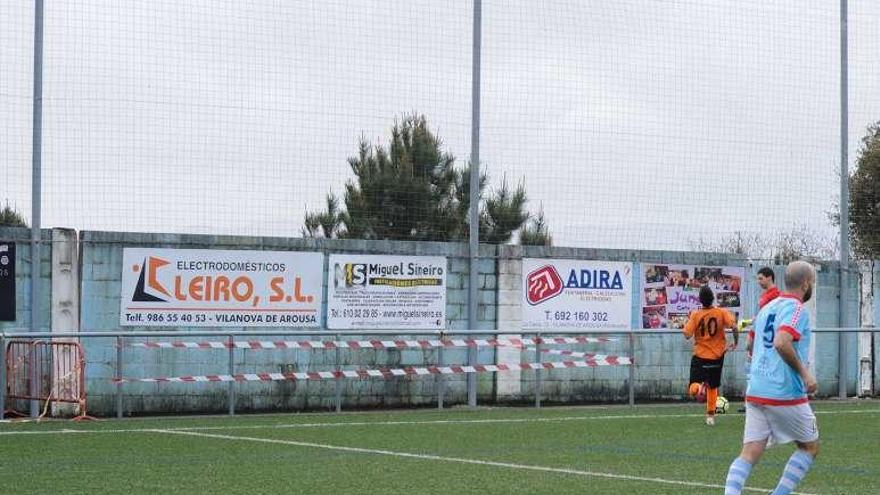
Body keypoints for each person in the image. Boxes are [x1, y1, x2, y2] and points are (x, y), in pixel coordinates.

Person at [723, 261, 819, 495]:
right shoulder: (796, 309)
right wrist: (805, 374)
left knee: (749, 453)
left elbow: (752, 344)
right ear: (806, 283)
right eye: (812, 282)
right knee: (809, 447)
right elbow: (781, 342)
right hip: (783, 391)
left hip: (756, 390)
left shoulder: (767, 307)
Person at [683, 285, 738, 426]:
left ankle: (700, 388)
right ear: (713, 298)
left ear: (700, 300)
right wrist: (735, 342)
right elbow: (734, 327)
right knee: (713, 387)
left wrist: (689, 322)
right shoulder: (721, 312)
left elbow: (687, 335)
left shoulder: (695, 314)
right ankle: (710, 417)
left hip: (700, 355)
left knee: (692, 388)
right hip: (716, 356)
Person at [737, 267, 781, 413]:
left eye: (761, 278)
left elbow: (770, 318)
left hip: (763, 338)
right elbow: (761, 317)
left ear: (769, 278)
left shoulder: (775, 296)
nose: (758, 281)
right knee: (751, 366)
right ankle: (750, 401)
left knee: (755, 367)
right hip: (758, 335)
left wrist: (752, 335)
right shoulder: (766, 295)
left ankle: (756, 401)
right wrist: (749, 322)